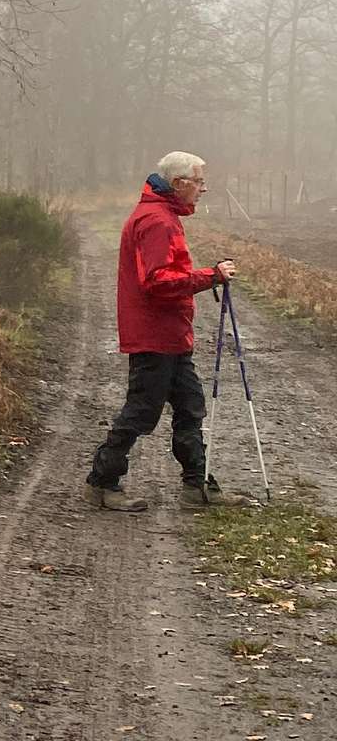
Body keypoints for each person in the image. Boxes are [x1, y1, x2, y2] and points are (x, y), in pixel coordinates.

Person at [85, 152, 234, 513]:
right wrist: (210, 276)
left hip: (169, 333)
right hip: (154, 334)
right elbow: (157, 282)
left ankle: (197, 485)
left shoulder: (162, 215)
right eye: (199, 181)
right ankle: (102, 483)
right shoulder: (156, 220)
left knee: (190, 406)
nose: (203, 188)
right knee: (141, 411)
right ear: (179, 183)